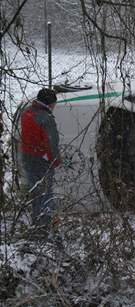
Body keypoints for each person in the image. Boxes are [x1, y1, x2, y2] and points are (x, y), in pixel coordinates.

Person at [19, 88, 61, 236]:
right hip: (41, 161)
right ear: (49, 104)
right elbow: (51, 143)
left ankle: (36, 224)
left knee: (36, 193)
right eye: (54, 104)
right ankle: (44, 228)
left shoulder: (26, 113)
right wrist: (55, 161)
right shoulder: (46, 118)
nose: (54, 107)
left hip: (28, 159)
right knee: (46, 194)